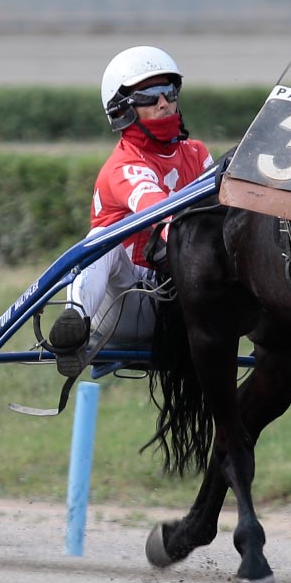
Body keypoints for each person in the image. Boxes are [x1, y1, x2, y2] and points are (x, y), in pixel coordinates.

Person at [48, 46, 213, 377]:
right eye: (150, 95)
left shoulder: (197, 153)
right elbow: (162, 213)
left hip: (182, 299)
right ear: (122, 110)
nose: (164, 102)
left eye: (168, 91)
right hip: (125, 304)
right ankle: (75, 325)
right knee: (100, 240)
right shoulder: (124, 166)